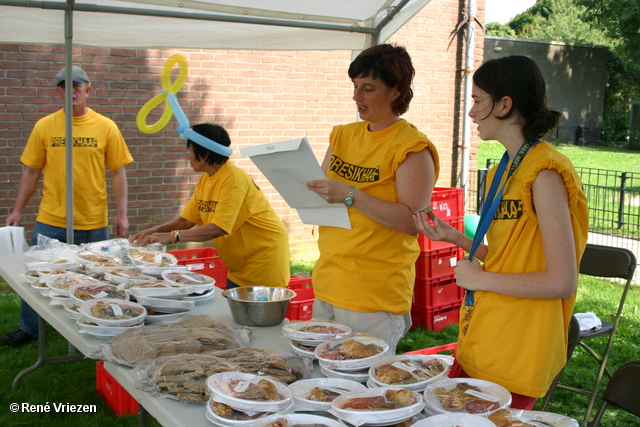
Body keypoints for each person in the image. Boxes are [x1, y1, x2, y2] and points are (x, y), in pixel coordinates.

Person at [414, 56, 589, 409]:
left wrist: (479, 281)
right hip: (484, 337)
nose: (472, 112)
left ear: (505, 105)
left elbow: (561, 281)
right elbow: (510, 259)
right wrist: (459, 239)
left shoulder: (545, 174)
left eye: (478, 100)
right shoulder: (503, 171)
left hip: (519, 347)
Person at [306, 44, 440, 355]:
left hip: (374, 293)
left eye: (368, 88)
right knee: (321, 378)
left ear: (396, 91)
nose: (357, 97)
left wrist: (351, 195)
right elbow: (327, 193)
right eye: (355, 86)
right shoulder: (342, 135)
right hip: (329, 280)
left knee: (363, 390)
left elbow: (412, 222)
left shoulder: (412, 148)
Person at [2, 65, 133, 347]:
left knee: (95, 276)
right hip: (52, 218)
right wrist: (17, 210)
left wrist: (121, 215)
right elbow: (31, 171)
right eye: (65, 86)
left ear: (88, 89)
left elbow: (118, 171)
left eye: (77, 85)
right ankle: (30, 328)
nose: (71, 90)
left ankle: (92, 323)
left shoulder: (106, 126)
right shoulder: (45, 126)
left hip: (94, 220)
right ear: (58, 91)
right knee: (38, 273)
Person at [129, 123, 290, 290]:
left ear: (204, 153)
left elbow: (219, 228)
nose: (188, 157)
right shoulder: (206, 179)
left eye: (190, 151)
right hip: (240, 265)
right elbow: (186, 221)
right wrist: (154, 231)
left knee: (258, 315)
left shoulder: (233, 180)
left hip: (264, 261)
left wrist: (172, 237)